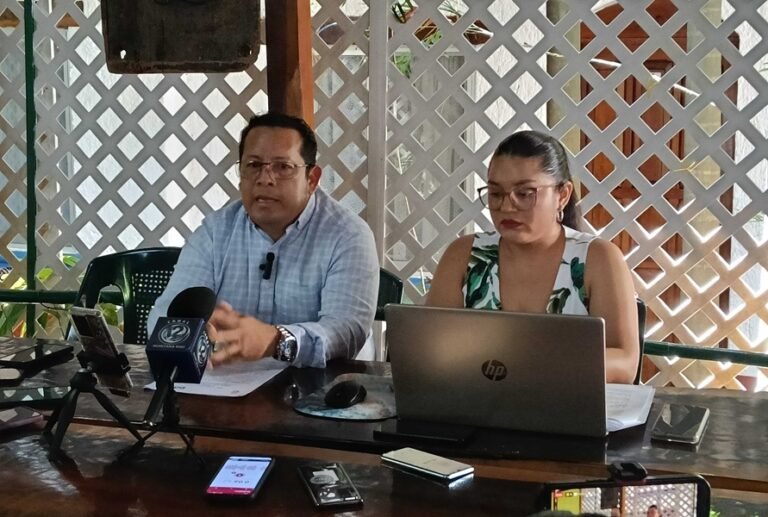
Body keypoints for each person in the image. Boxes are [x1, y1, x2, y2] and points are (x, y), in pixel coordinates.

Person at [148, 113, 379, 368]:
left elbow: (346, 332)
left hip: (321, 385)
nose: (265, 178)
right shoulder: (215, 232)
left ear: (311, 180)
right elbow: (163, 317)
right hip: (228, 383)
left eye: (283, 167)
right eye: (254, 165)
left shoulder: (348, 236)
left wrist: (276, 340)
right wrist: (192, 333)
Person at [426, 130, 638, 384]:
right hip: (473, 402)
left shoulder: (597, 259)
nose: (507, 206)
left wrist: (529, 364)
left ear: (562, 195)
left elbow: (625, 363)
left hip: (566, 405)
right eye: (495, 194)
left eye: (525, 193)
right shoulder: (464, 255)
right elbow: (430, 347)